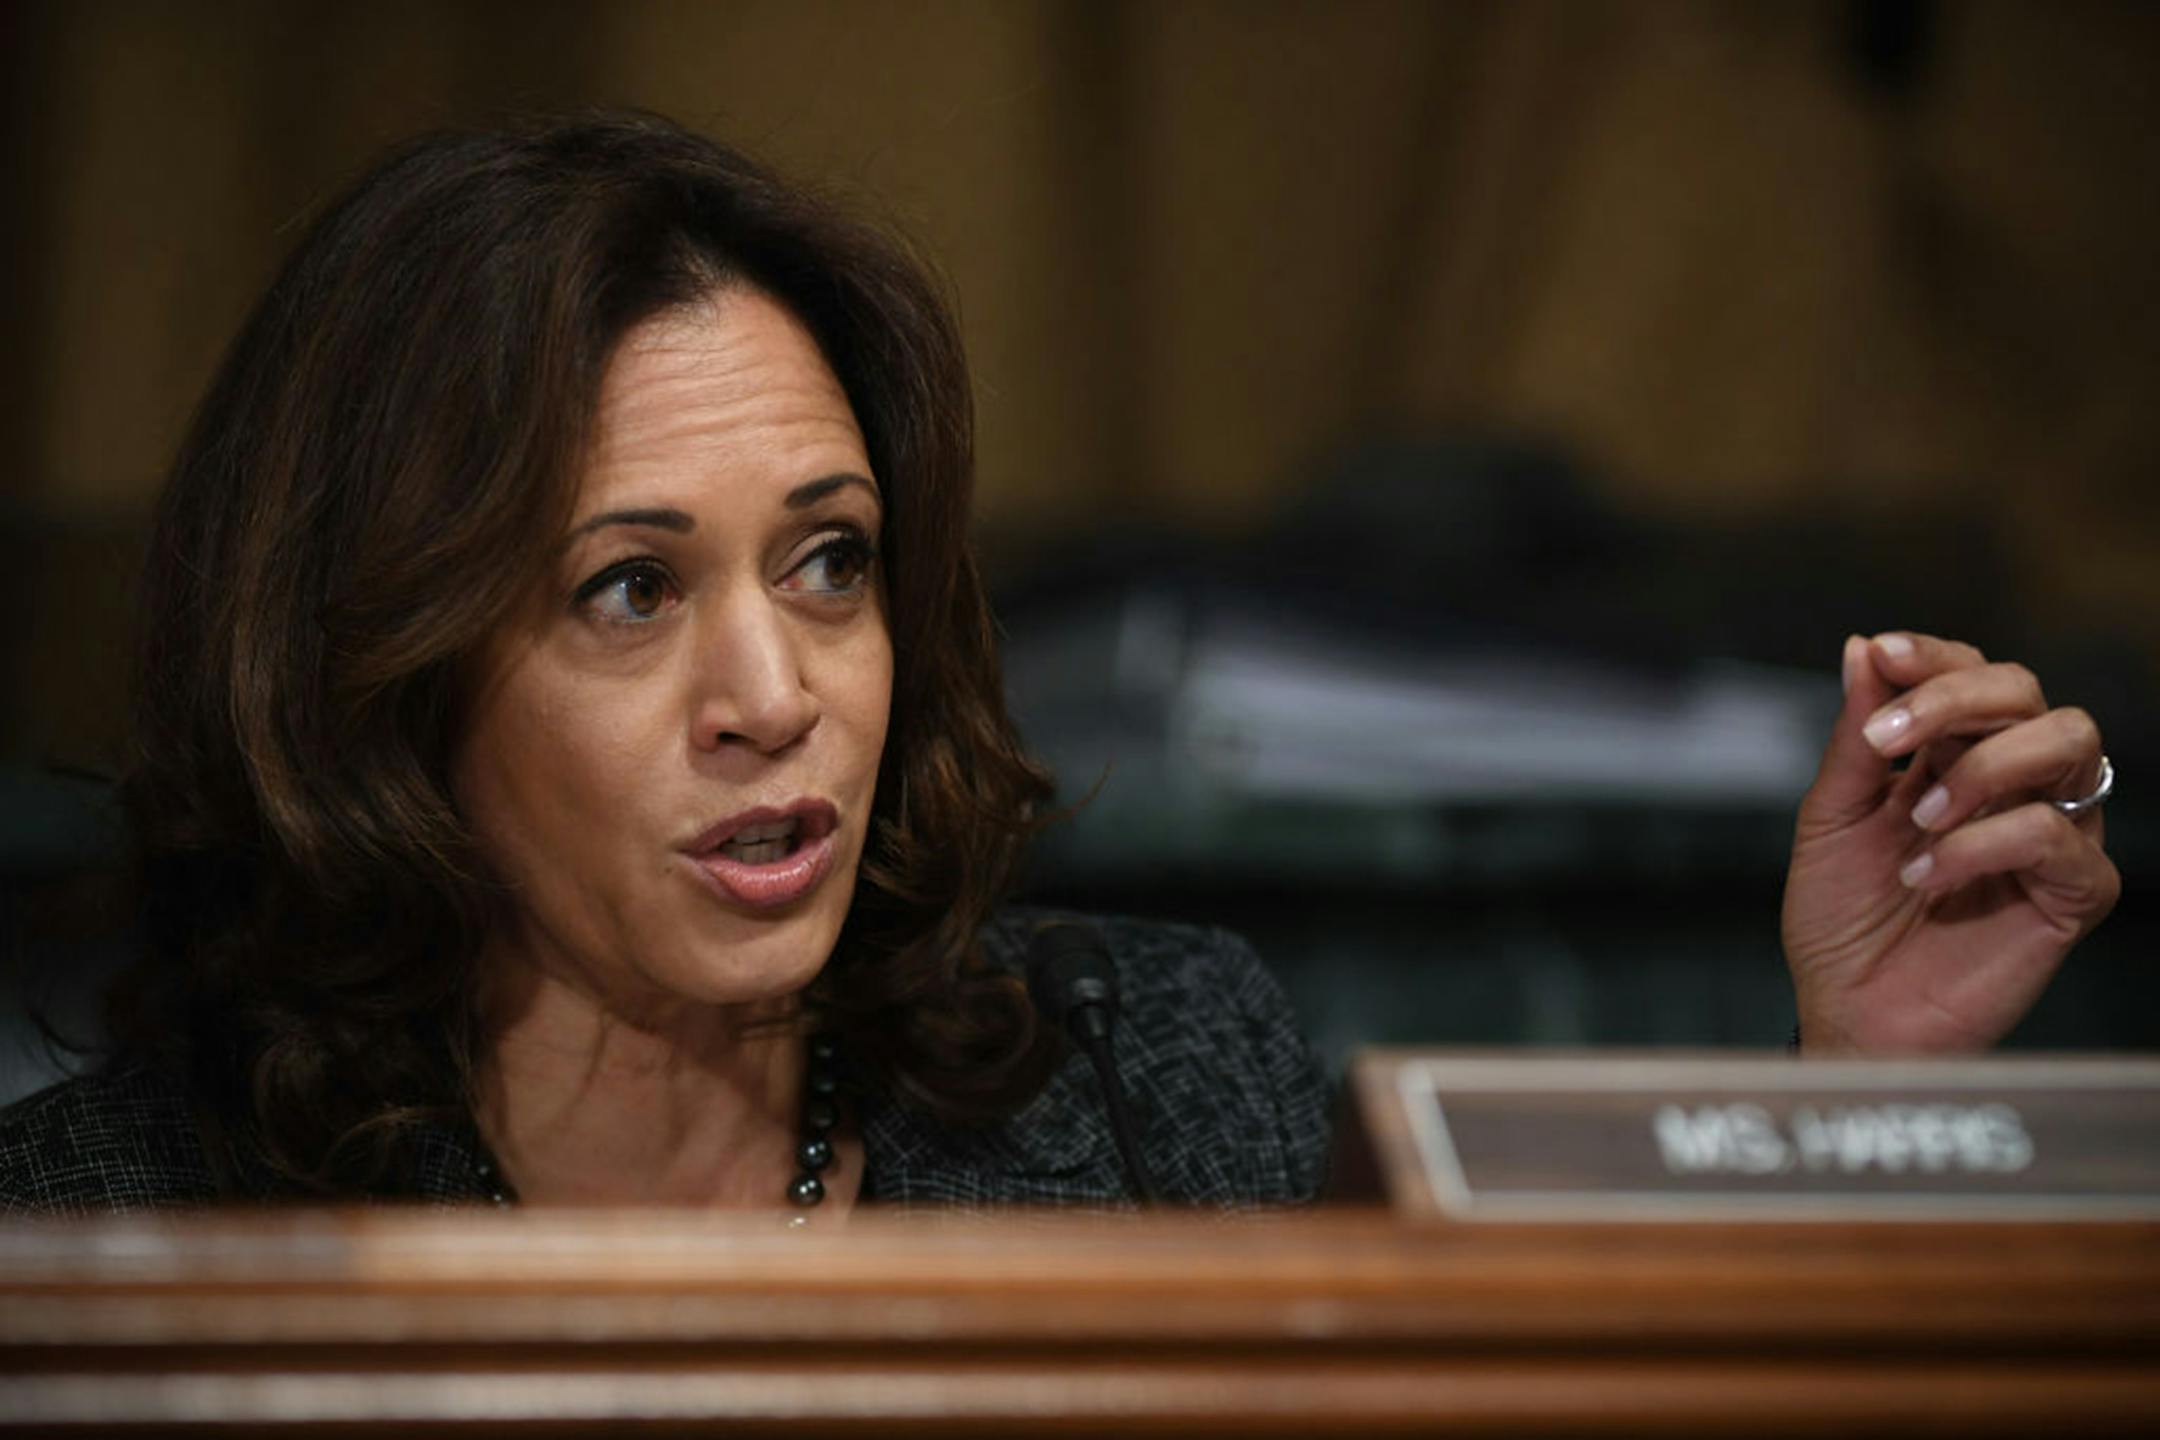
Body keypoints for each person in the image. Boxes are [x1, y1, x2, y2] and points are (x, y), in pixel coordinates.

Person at [0, 113, 2120, 1216]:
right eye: (629, 593)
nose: (778, 689)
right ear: (383, 680)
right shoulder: (114, 1224)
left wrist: (1865, 1106)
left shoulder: (1151, 1078)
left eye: (830, 565)